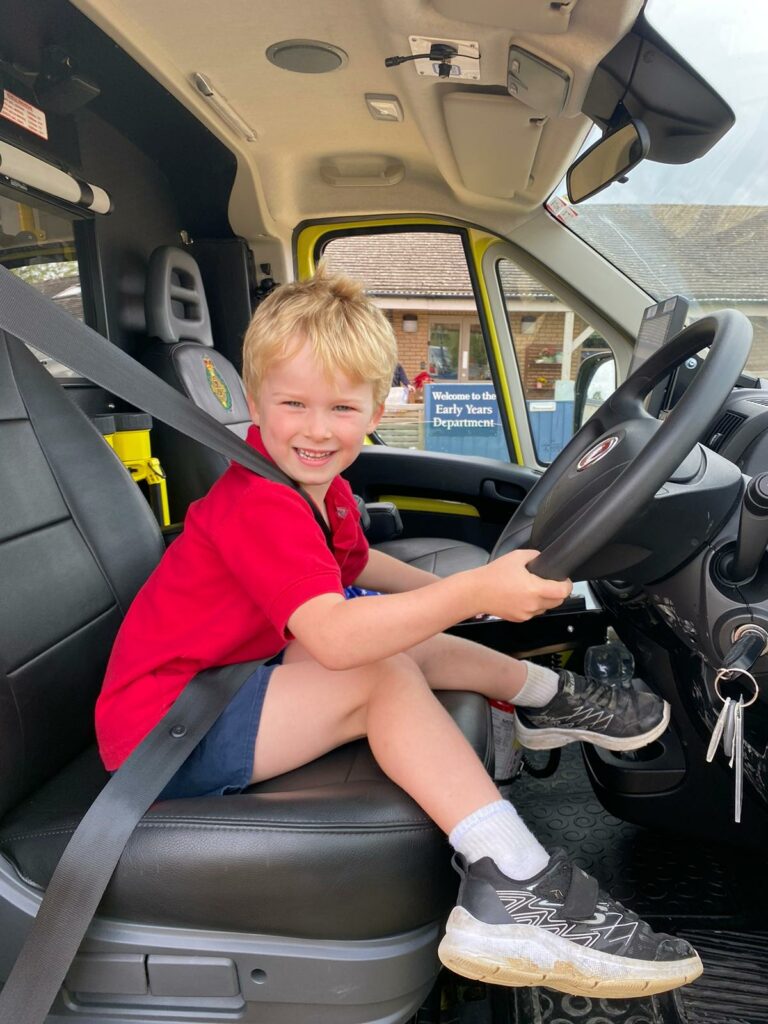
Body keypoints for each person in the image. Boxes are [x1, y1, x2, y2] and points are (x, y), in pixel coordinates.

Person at [95, 266, 701, 999]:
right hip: (162, 733)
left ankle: (546, 697)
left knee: (397, 638)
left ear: (377, 407)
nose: (317, 429)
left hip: (224, 681)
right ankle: (512, 887)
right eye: (292, 404)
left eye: (343, 408)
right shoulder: (258, 503)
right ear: (253, 403)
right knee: (377, 670)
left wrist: (458, 599)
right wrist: (473, 590)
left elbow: (358, 564)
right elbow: (340, 642)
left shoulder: (323, 490)